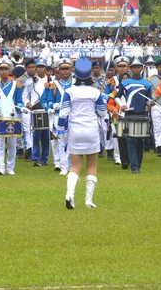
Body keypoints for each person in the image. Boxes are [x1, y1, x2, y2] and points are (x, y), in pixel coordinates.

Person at [56, 57, 107, 209]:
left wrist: (59, 129)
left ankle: (70, 194)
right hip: (91, 130)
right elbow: (103, 113)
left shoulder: (69, 91)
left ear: (75, 74)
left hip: (75, 131)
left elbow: (63, 113)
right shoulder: (95, 92)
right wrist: (100, 99)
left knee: (75, 166)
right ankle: (88, 200)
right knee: (92, 166)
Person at [0, 57, 27, 175]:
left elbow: (18, 100)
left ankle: (10, 167)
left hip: (13, 117)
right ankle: (1, 167)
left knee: (12, 143)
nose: (3, 71)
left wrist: (22, 107)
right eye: (1, 69)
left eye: (6, 69)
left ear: (10, 71)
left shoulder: (16, 85)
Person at [116, 55, 152, 174]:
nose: (136, 69)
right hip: (129, 114)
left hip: (141, 114)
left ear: (142, 69)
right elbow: (117, 97)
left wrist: (150, 103)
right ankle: (134, 166)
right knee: (130, 140)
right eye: (134, 67)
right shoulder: (125, 83)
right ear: (130, 69)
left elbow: (148, 99)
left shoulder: (146, 84)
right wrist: (122, 104)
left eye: (138, 67)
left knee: (140, 140)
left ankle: (138, 164)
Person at [147, 59, 161, 157]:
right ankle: (159, 148)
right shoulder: (150, 79)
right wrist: (149, 103)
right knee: (157, 127)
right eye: (160, 67)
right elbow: (147, 93)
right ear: (157, 68)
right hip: (156, 105)